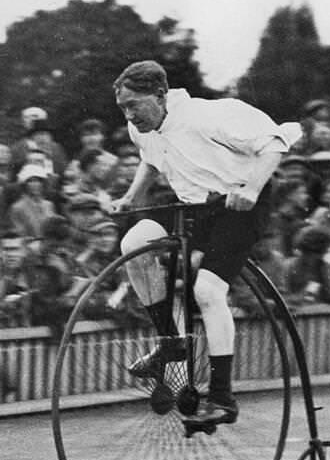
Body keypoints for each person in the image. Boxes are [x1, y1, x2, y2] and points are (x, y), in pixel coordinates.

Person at [111, 59, 301, 426]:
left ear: (161, 94)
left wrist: (252, 187)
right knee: (134, 243)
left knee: (208, 291)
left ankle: (222, 398)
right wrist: (132, 196)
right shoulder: (143, 128)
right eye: (123, 108)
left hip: (239, 206)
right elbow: (151, 160)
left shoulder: (208, 116)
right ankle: (170, 343)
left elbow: (275, 142)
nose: (129, 115)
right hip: (193, 207)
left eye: (134, 105)